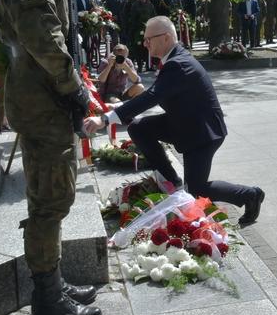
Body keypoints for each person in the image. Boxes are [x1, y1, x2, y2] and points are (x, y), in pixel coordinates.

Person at [0, 0, 102, 315]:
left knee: (52, 195)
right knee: (49, 200)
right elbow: (41, 31)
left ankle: (52, 282)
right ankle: (47, 299)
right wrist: (72, 86)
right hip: (43, 99)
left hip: (41, 95)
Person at [83, 16, 265, 226]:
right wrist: (116, 109)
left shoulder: (178, 64)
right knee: (140, 128)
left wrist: (105, 120)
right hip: (184, 122)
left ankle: (250, 195)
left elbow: (152, 96)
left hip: (202, 133)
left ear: (166, 37)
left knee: (196, 190)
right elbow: (155, 94)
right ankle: (173, 181)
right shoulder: (174, 59)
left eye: (149, 39)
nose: (145, 43)